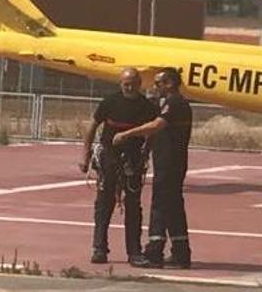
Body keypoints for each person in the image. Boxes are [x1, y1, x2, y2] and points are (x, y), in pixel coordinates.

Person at [113, 67, 193, 268]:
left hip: (171, 162)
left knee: (160, 204)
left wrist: (127, 134)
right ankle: (181, 251)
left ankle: (154, 250)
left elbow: (156, 126)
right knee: (173, 206)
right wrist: (146, 150)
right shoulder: (165, 103)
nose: (155, 87)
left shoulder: (175, 103)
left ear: (170, 84)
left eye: (159, 83)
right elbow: (155, 133)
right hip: (165, 160)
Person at [79, 67, 157, 266]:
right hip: (109, 158)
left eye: (132, 84)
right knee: (104, 204)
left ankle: (134, 252)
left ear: (139, 84)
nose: (129, 87)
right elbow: (92, 126)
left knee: (133, 206)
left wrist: (145, 154)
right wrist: (85, 155)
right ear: (120, 84)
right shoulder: (110, 102)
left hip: (133, 160)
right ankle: (99, 248)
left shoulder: (147, 106)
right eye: (125, 84)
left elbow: (153, 132)